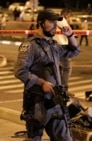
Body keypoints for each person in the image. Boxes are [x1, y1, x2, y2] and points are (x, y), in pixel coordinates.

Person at [14, 9, 79, 141]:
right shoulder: (30, 46)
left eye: (56, 22)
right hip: (37, 103)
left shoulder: (53, 45)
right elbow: (20, 71)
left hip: (55, 102)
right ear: (41, 23)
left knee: (65, 138)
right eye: (51, 22)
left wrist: (70, 35)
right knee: (34, 138)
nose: (55, 25)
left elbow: (74, 51)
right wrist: (41, 83)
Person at [53, 9, 73, 93]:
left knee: (59, 68)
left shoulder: (55, 20)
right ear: (66, 14)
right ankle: (64, 89)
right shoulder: (62, 20)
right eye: (69, 16)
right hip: (62, 46)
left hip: (55, 45)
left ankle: (59, 88)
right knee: (66, 68)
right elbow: (69, 31)